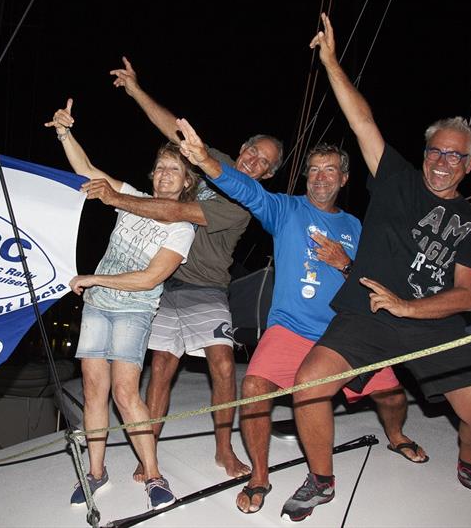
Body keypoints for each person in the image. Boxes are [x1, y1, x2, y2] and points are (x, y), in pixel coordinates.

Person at [280, 13, 471, 521]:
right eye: (435, 151)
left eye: (455, 155)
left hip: (432, 324)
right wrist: (331, 62)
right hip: (365, 315)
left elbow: (468, 295)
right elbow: (362, 120)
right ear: (425, 154)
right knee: (307, 387)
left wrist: (409, 307)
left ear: (469, 164)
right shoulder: (396, 181)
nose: (442, 161)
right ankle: (320, 479)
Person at [170, 118, 425, 513]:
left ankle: (396, 435)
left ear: (343, 178)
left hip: (345, 331)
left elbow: (373, 281)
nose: (320, 178)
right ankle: (259, 474)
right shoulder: (285, 209)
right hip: (290, 328)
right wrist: (206, 160)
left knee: (392, 396)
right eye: (314, 170)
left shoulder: (355, 226)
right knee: (253, 386)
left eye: (329, 170)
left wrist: (345, 264)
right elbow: (247, 190)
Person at [81, 57, 283, 480]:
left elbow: (174, 211)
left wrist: (114, 199)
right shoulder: (218, 162)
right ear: (242, 148)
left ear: (267, 174)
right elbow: (174, 130)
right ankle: (147, 450)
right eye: (252, 151)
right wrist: (136, 90)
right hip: (163, 280)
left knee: (224, 363)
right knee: (162, 367)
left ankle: (224, 449)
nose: (252, 160)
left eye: (263, 162)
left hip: (206, 288)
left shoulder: (243, 204)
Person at [45, 99, 198, 510]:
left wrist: (94, 278)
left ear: (186, 184)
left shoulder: (182, 227)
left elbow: (150, 278)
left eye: (176, 172)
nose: (166, 175)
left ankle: (153, 474)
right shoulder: (129, 196)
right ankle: (95, 473)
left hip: (134, 310)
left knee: (127, 394)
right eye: (162, 168)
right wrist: (64, 132)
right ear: (154, 175)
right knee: (95, 390)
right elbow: (87, 170)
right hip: (97, 307)